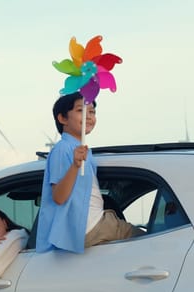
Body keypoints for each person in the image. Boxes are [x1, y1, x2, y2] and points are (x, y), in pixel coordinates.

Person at [36, 92, 142, 254]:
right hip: (90, 225)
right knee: (148, 239)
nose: (89, 116)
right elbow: (58, 196)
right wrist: (75, 165)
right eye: (81, 111)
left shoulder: (81, 150)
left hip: (89, 224)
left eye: (92, 112)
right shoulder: (63, 148)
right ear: (62, 118)